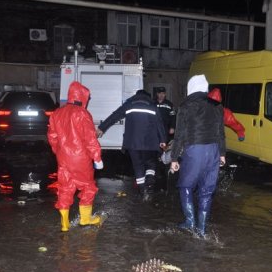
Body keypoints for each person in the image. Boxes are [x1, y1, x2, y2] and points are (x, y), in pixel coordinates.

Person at [170, 74, 226, 237]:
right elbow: (220, 132)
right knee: (207, 189)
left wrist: (174, 158)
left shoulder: (185, 106)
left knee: (185, 185)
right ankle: (201, 228)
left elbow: (179, 135)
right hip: (214, 150)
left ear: (191, 87)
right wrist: (222, 154)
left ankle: (190, 221)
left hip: (195, 150)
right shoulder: (217, 106)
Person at [47, 81, 103, 232]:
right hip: (81, 158)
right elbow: (90, 138)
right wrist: (97, 158)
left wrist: (58, 151)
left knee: (65, 187)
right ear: (83, 97)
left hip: (63, 158)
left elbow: (52, 137)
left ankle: (64, 223)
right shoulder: (83, 114)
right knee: (87, 187)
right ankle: (85, 219)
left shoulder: (57, 113)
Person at [96, 90, 167, 202]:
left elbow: (115, 115)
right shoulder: (153, 107)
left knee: (138, 166)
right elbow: (160, 124)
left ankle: (143, 190)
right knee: (150, 164)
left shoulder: (129, 105)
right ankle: (149, 184)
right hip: (150, 143)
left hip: (133, 143)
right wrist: (163, 140)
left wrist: (102, 127)